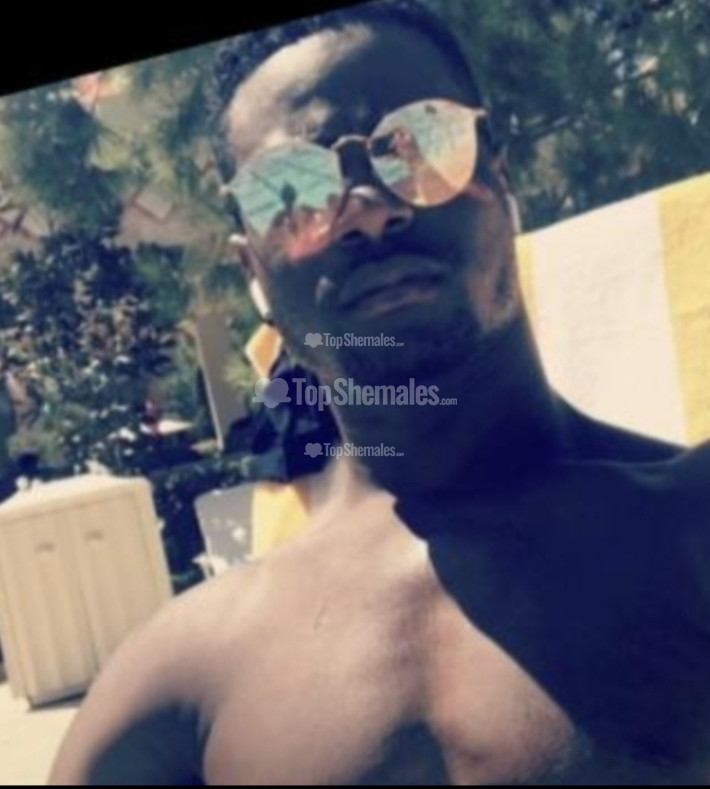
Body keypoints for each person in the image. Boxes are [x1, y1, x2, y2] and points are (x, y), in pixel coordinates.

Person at [50, 0, 710, 784]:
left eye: (419, 143)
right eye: (291, 190)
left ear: (500, 178)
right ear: (252, 270)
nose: (366, 211)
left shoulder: (689, 525)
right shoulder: (188, 673)